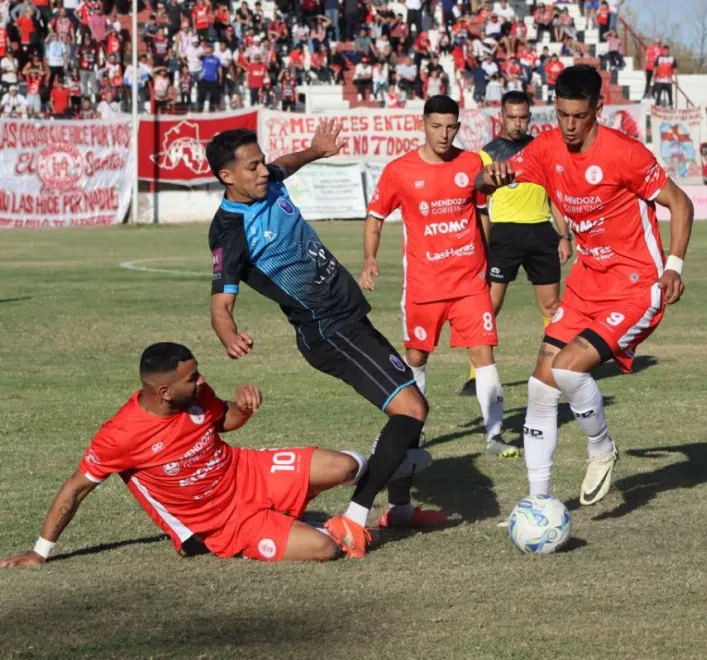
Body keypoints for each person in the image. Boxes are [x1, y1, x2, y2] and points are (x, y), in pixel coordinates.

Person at [206, 125, 442, 560]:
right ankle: (353, 518)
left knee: (410, 399)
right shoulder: (229, 231)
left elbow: (285, 165)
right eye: (252, 166)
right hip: (329, 331)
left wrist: (316, 150)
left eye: (262, 161)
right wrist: (230, 335)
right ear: (226, 176)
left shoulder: (268, 181)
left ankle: (402, 508)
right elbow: (220, 302)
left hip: (349, 316)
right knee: (410, 408)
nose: (264, 171)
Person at [0, 342, 426, 567]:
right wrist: (40, 551)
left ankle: (380, 469)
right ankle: (307, 523)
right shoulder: (120, 435)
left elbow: (224, 421)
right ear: (164, 392)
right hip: (224, 523)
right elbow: (75, 490)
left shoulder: (194, 394)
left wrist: (245, 409)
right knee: (325, 550)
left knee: (346, 465)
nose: (201, 380)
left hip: (248, 472)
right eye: (192, 377)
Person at [478, 65, 694, 505]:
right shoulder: (547, 148)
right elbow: (490, 178)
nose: (570, 126)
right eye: (562, 115)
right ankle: (538, 503)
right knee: (540, 384)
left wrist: (674, 266)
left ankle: (601, 448)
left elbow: (680, 201)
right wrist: (491, 177)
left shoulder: (624, 153)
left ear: (598, 108)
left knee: (567, 367)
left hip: (636, 285)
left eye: (580, 116)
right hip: (585, 284)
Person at [362, 95, 515, 457]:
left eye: (450, 127)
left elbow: (482, 214)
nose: (444, 134)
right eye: (436, 126)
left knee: (484, 354)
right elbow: (375, 216)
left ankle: (494, 437)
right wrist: (369, 259)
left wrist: (487, 259)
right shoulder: (400, 170)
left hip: (468, 283)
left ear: (458, 127)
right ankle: (416, 431)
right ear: (423, 125)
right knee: (415, 359)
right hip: (424, 285)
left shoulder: (472, 162)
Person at [460, 91, 571, 397]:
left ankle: (556, 368)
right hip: (504, 236)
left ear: (529, 118)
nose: (518, 123)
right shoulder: (487, 153)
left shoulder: (542, 150)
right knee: (488, 306)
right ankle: (476, 374)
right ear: (501, 117)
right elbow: (479, 204)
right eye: (512, 117)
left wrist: (564, 235)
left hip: (541, 233)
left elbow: (555, 197)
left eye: (523, 117)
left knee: (551, 305)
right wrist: (479, 244)